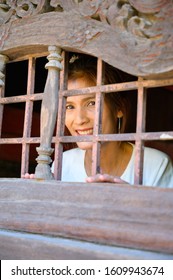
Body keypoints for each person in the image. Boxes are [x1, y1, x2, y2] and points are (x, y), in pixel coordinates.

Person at [23, 54, 173, 187]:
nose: (80, 119)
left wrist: (130, 200)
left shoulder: (155, 164)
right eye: (69, 106)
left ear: (118, 108)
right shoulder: (63, 163)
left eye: (91, 103)